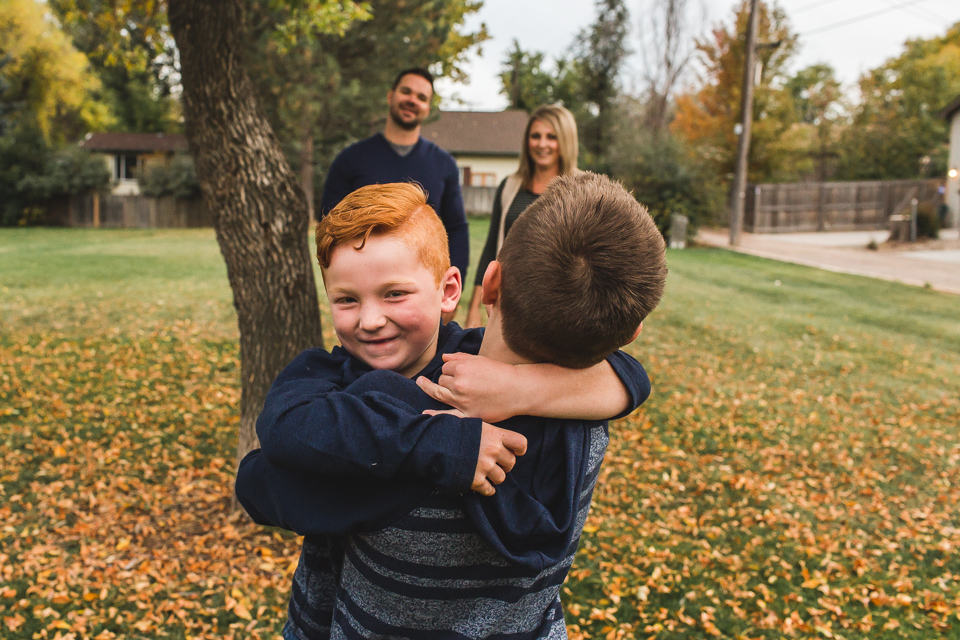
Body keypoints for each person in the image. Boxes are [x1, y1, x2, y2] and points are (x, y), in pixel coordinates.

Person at [236, 175, 667, 639]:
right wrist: (523, 387)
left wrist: (452, 429)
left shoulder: (396, 423)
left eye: (394, 293)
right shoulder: (586, 418)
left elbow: (260, 482)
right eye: (346, 299)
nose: (370, 319)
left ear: (484, 284)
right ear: (630, 333)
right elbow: (632, 378)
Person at [319, 67, 469, 321]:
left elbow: (456, 229)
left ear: (428, 109)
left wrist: (447, 291)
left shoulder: (443, 164)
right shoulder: (351, 160)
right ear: (390, 96)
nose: (412, 100)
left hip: (417, 293)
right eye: (406, 91)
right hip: (365, 291)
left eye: (422, 97)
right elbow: (329, 228)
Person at [465, 104, 579, 328]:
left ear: (566, 141)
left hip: (562, 310)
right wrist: (473, 309)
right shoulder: (510, 187)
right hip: (509, 306)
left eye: (551, 137)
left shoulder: (580, 189)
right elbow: (491, 249)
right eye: (535, 136)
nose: (542, 144)